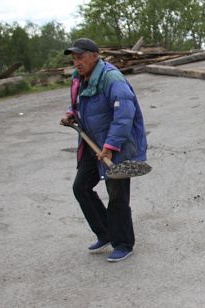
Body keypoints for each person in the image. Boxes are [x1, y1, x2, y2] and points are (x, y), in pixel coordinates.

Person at [59, 38, 147, 263]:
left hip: (117, 146)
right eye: (74, 58)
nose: (76, 62)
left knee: (117, 196)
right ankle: (105, 232)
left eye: (80, 57)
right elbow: (79, 103)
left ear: (95, 56)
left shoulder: (111, 78)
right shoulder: (79, 78)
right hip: (92, 144)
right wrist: (71, 114)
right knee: (81, 187)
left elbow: (125, 114)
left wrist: (110, 146)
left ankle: (123, 243)